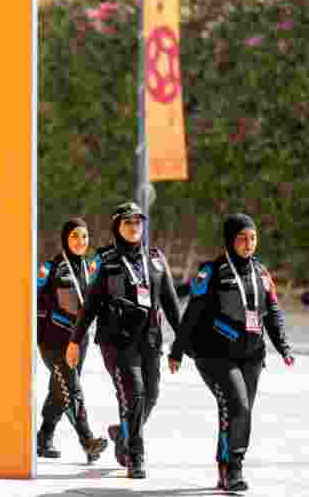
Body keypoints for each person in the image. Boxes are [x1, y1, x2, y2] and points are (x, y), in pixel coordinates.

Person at [168, 213, 294, 492]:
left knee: (242, 412)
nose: (249, 244)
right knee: (237, 406)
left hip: (252, 354)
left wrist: (283, 346)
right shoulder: (211, 272)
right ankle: (231, 469)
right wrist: (177, 350)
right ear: (229, 240)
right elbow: (192, 313)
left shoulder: (262, 273)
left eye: (253, 238)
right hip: (215, 354)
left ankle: (230, 464)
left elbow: (273, 312)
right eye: (242, 238)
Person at [66, 201, 182, 479]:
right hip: (116, 341)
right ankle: (135, 456)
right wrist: (74, 341)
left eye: (138, 222)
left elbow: (170, 302)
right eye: (128, 222)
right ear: (117, 227)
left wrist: (181, 344)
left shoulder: (155, 258)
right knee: (133, 395)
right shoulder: (105, 261)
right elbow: (90, 306)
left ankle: (123, 434)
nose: (134, 227)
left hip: (150, 339)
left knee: (150, 395)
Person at [36, 218, 109, 463]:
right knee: (72, 388)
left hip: (78, 341)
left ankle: (44, 436)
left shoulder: (90, 268)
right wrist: (41, 337)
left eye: (84, 236)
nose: (80, 241)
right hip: (53, 341)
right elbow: (36, 303)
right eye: (75, 236)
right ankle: (87, 440)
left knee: (61, 388)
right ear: (65, 239)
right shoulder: (51, 268)